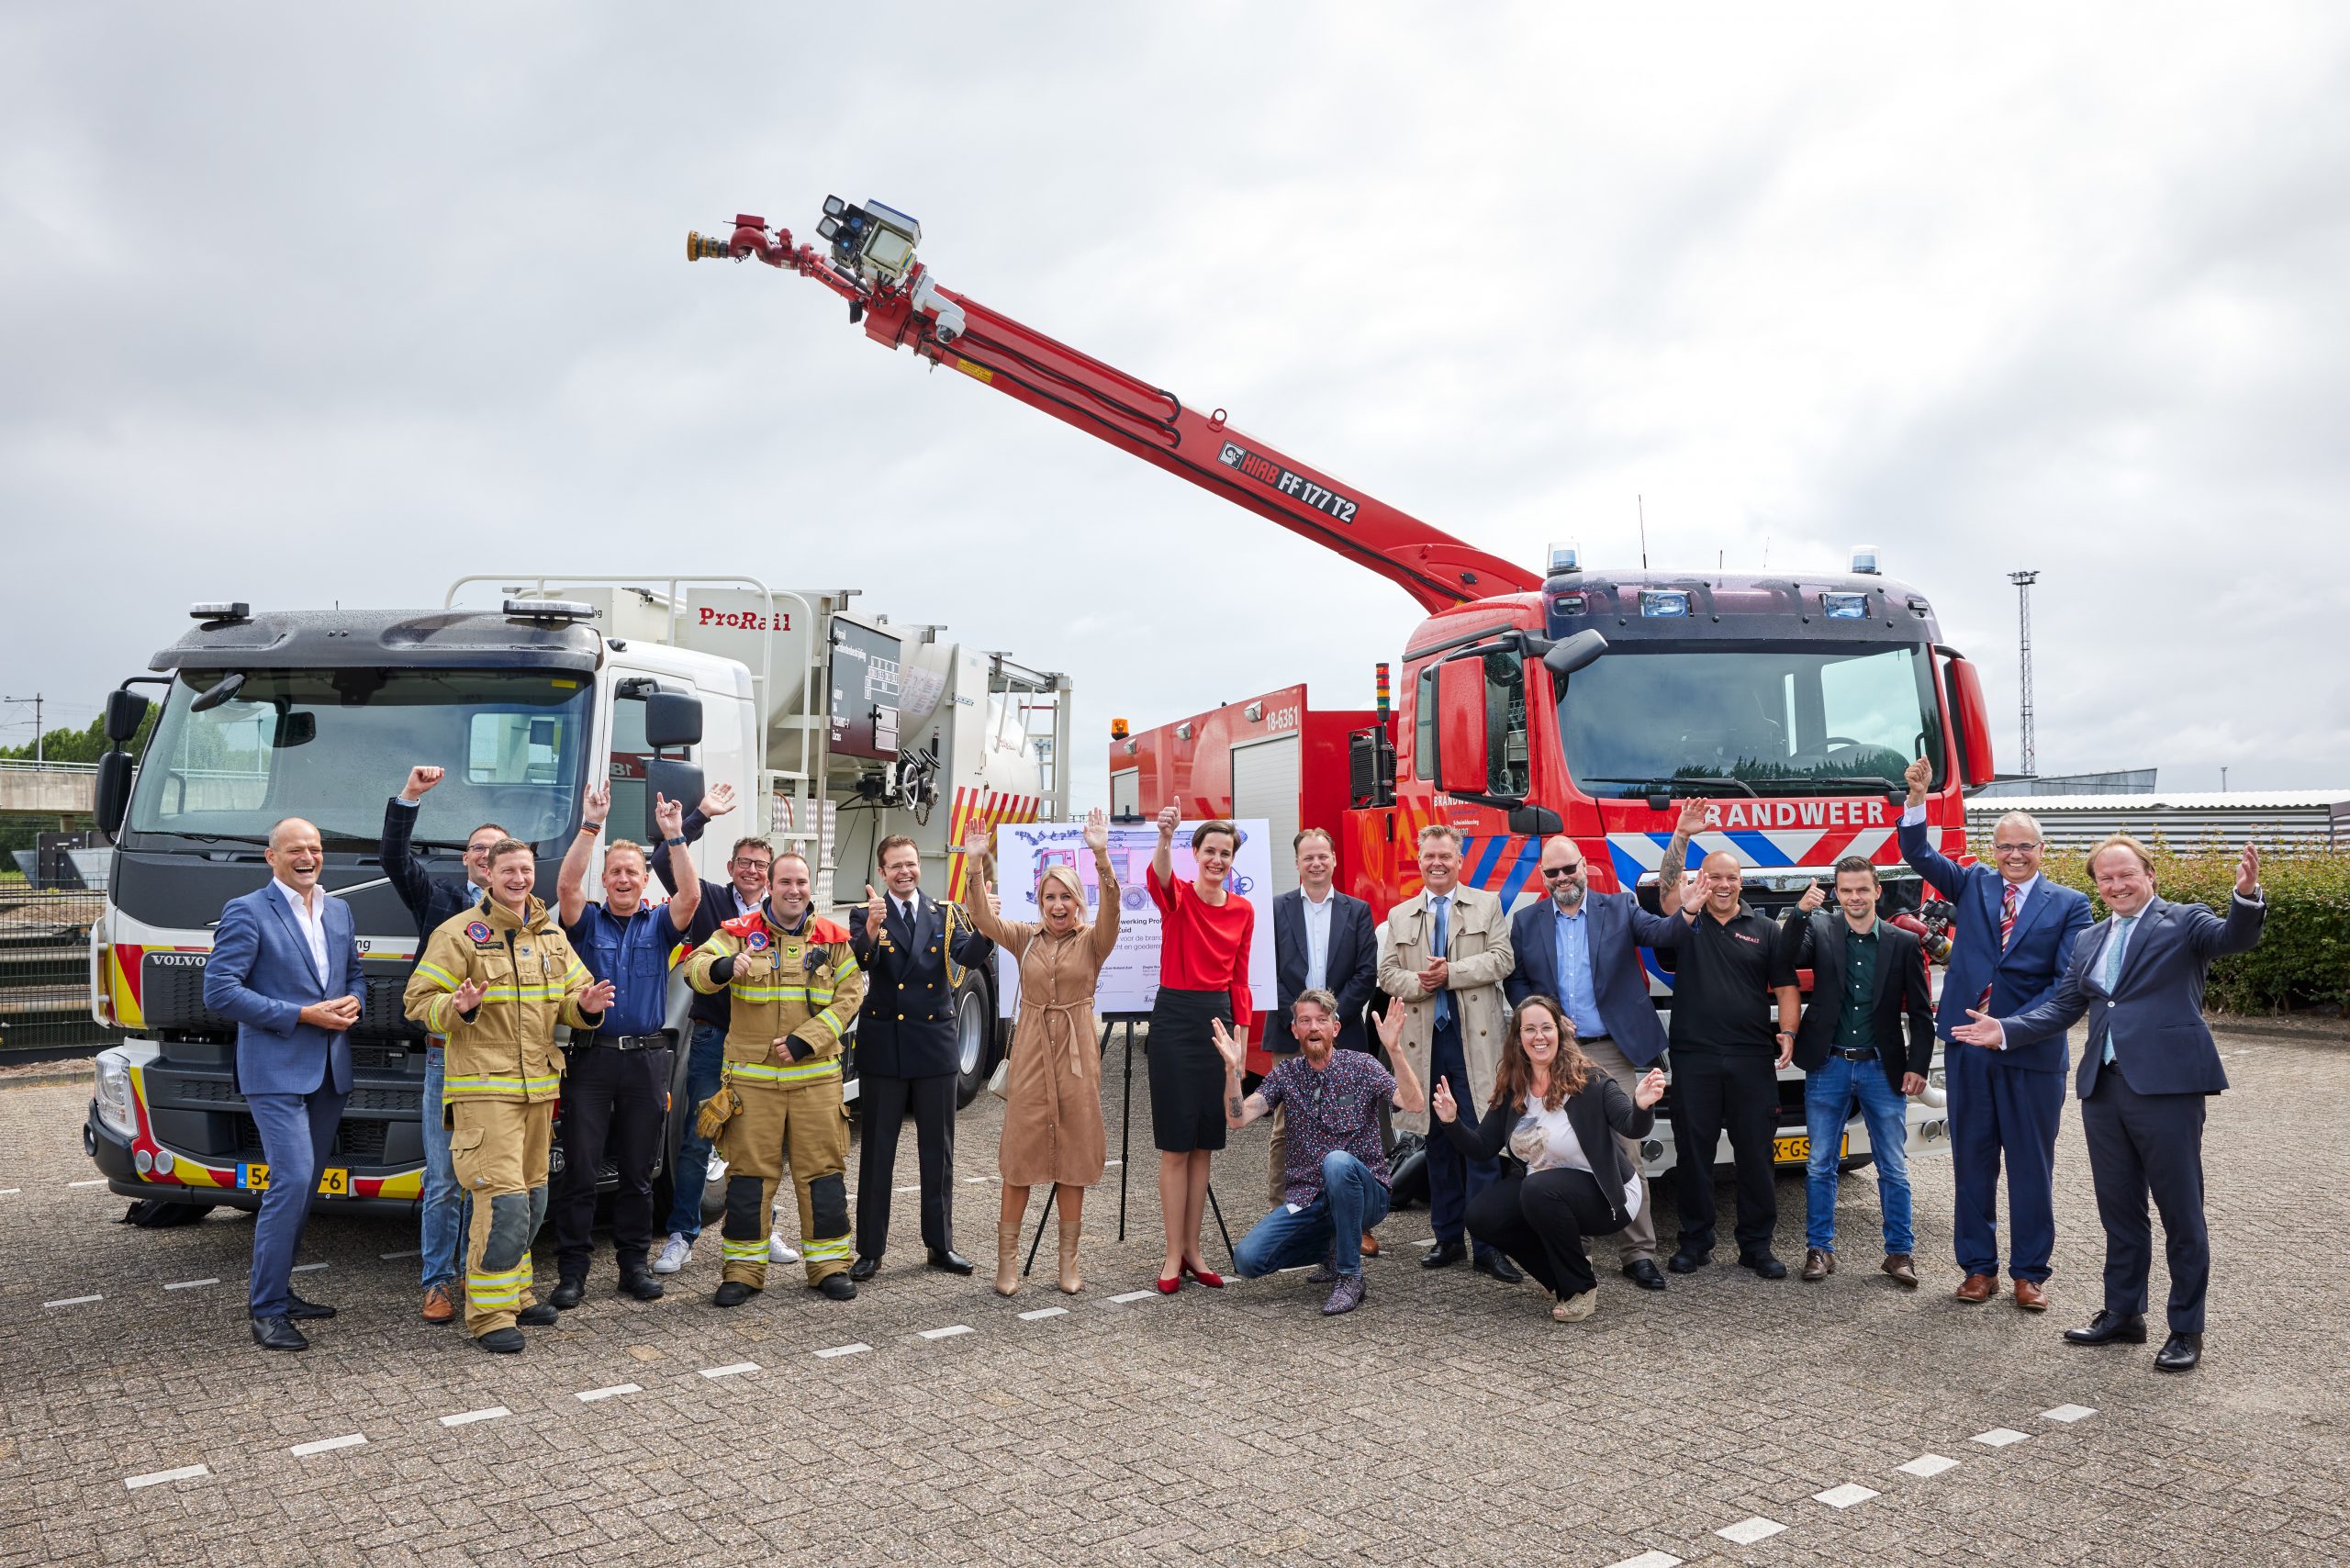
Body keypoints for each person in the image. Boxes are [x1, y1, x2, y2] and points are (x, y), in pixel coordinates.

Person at [1954, 838, 2266, 1373]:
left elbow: (2234, 937)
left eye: (2126, 875)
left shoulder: (2184, 921)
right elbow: (2062, 1007)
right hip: (2104, 1086)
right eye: (2105, 879)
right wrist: (2004, 1029)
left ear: (2149, 874)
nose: (2117, 886)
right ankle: (2124, 1313)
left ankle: (2185, 1328)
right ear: (2096, 885)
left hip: (2167, 1087)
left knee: (2180, 1212)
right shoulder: (2091, 938)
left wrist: (2246, 896)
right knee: (2119, 1210)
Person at [1898, 755, 2093, 1309]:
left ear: (2041, 850)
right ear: (1994, 851)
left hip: (2029, 1053)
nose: (2013, 855)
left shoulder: (2071, 906)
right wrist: (1918, 798)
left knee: (2032, 1167)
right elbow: (1917, 853)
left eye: (2024, 846)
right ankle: (1977, 1269)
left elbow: (2066, 987)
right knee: (1973, 1162)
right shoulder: (1974, 884)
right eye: (2005, 846)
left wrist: (2005, 1028)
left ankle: (2030, 1273)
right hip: (1966, 1051)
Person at [403, 839, 613, 1353]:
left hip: (538, 1091)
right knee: (502, 1201)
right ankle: (489, 1312)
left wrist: (584, 1006)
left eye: (525, 870)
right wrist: (460, 1008)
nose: (518, 879)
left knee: (534, 1197)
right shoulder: (458, 934)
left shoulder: (550, 937)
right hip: (484, 1093)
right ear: (487, 875)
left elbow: (572, 998)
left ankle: (516, 1293)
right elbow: (417, 1003)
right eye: (507, 871)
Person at [1503, 809, 1703, 1292]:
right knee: (1560, 1152)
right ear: (1543, 876)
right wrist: (1543, 1011)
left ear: (1584, 866)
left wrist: (1689, 909)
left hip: (1611, 1051)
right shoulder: (1527, 922)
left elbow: (1661, 934)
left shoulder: (1618, 907)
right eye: (1552, 872)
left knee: (1624, 1150)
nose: (1562, 877)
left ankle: (1638, 1253)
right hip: (1557, 1056)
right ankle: (1576, 1249)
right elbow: (1517, 981)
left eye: (1569, 868)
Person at [201, 818, 364, 1352]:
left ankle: (281, 1291)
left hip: (329, 1070)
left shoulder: (337, 909)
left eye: (315, 849)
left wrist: (354, 1001)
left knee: (304, 1186)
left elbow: (353, 975)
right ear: (271, 857)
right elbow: (220, 993)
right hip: (274, 1070)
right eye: (295, 849)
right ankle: (266, 1310)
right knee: (291, 1180)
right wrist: (302, 1015)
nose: (308, 857)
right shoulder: (246, 911)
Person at [681, 850, 865, 1305]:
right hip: (753, 1087)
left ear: (810, 886)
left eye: (801, 882)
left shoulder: (833, 938)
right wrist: (726, 967)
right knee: (748, 1179)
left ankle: (828, 1266)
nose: (794, 890)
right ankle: (742, 1272)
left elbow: (850, 994)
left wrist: (808, 1039)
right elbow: (696, 971)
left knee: (822, 1174)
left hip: (815, 1081)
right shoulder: (738, 935)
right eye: (785, 882)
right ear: (770, 886)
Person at [548, 784, 700, 1310]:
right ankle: (572, 1272)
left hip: (646, 1062)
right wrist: (592, 824)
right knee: (581, 1172)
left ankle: (633, 1266)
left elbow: (691, 897)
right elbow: (566, 885)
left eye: (632, 872)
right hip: (592, 1059)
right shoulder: (586, 921)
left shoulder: (659, 924)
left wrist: (675, 836)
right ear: (606, 878)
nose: (623, 879)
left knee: (639, 1171)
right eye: (615, 871)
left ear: (642, 879)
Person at [962, 808, 1120, 1295]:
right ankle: (1006, 1263)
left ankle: (1067, 1263)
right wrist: (975, 864)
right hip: (1030, 1050)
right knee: (1021, 1154)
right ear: (1041, 901)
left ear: (1077, 903)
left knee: (1073, 1153)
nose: (1058, 905)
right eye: (1050, 897)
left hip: (1076, 1054)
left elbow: (1112, 905)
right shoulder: (1022, 937)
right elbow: (983, 918)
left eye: (1066, 897)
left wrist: (1099, 855)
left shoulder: (1095, 940)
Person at [1431, 996, 1666, 1322]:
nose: (1539, 1036)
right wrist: (1451, 1121)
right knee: (1483, 1216)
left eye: (1546, 1028)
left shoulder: (1592, 1080)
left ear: (1560, 1032)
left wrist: (1642, 1105)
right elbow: (1482, 1147)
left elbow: (1630, 1125)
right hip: (1546, 1190)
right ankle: (1558, 1277)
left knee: (1538, 1188)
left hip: (1611, 1195)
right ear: (1518, 1038)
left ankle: (1581, 1287)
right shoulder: (1515, 1087)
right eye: (1529, 1029)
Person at [646, 788, 801, 1276]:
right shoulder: (709, 900)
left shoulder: (789, 918)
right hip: (714, 1037)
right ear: (732, 867)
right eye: (745, 863)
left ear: (773, 875)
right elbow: (661, 861)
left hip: (764, 1044)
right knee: (699, 1135)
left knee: (759, 1140)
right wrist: (698, 817)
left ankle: (764, 1227)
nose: (753, 871)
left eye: (761, 864)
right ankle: (682, 1234)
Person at [380, 765, 510, 1325]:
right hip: (445, 1056)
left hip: (503, 1062)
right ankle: (438, 1283)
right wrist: (409, 797)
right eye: (478, 848)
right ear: (466, 859)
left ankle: (486, 1279)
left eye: (497, 849)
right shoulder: (438, 902)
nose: (486, 855)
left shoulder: (527, 915)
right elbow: (393, 859)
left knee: (492, 1178)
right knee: (441, 1181)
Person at [1778, 857, 1935, 1287]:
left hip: (1882, 1067)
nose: (1854, 898)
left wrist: (1918, 1065)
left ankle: (1900, 1254)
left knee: (1893, 1167)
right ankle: (1819, 1249)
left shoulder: (1903, 943)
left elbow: (1921, 1014)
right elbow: (1786, 956)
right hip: (1827, 1063)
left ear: (1877, 892)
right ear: (1837, 893)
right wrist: (1800, 911)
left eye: (1862, 889)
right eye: (1846, 890)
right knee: (1819, 1164)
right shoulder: (1822, 929)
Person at [1217, 993, 1426, 1316]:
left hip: (1367, 1193)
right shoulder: (1287, 1075)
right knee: (1248, 1260)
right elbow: (1237, 1118)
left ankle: (1350, 1275)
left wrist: (1395, 1050)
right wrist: (1232, 1070)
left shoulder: (1363, 1066)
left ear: (1336, 1028)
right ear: (1295, 1030)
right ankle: (1332, 1248)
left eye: (1321, 1020)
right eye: (1305, 1021)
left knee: (1337, 1161)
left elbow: (1413, 1103)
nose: (1314, 1027)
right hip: (1309, 1197)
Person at [847, 834, 995, 1281]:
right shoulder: (865, 913)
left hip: (934, 1045)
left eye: (910, 863)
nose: (905, 872)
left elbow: (967, 954)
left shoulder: (944, 914)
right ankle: (871, 1249)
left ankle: (940, 1245)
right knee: (877, 1151)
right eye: (896, 866)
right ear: (882, 871)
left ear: (919, 865)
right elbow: (862, 962)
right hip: (885, 1046)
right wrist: (872, 928)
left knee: (939, 1151)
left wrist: (987, 923)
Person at [1378, 823, 1520, 1285]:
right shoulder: (1399, 916)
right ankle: (1447, 1239)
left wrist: (1451, 973)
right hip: (1426, 1042)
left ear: (1460, 861)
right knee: (1437, 1142)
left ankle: (1488, 1245)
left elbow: (1503, 959)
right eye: (1429, 856)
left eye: (1446, 856)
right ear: (1419, 861)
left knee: (1479, 1140)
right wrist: (1420, 982)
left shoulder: (1488, 904)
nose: (1437, 863)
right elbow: (1386, 976)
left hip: (1473, 1041)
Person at [1662, 849, 1801, 1279]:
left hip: (1750, 1057)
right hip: (1694, 1056)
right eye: (1715, 877)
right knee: (1694, 1154)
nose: (1724, 885)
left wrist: (1790, 1032)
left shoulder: (1764, 930)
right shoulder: (1686, 924)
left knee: (1757, 1155)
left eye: (1732, 878)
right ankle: (1695, 1243)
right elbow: (1668, 897)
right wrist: (1681, 836)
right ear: (1701, 881)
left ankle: (1756, 1247)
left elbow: (1786, 987)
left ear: (1743, 882)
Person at [1146, 807, 1256, 1294]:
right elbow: (1160, 874)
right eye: (1209, 850)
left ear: (1233, 860)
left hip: (1219, 1023)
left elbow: (1241, 980)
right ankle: (1172, 1253)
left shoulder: (1244, 910)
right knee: (1175, 1144)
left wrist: (1241, 1047)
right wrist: (1165, 836)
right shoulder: (1179, 899)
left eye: (1225, 853)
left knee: (1204, 1144)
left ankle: (1194, 1249)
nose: (1217, 859)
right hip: (1173, 1020)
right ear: (1196, 855)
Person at [1265, 830, 1382, 1247]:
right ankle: (1287, 1214)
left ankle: (1357, 1220)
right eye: (1307, 857)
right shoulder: (1275, 909)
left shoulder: (1358, 910)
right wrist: (1299, 1023)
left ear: (1334, 860)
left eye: (1323, 856)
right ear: (1296, 863)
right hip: (1288, 1030)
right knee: (1287, 1127)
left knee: (1354, 1128)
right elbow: (1268, 971)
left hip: (1343, 1032)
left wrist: (1329, 1022)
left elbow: (1367, 973)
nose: (1316, 863)